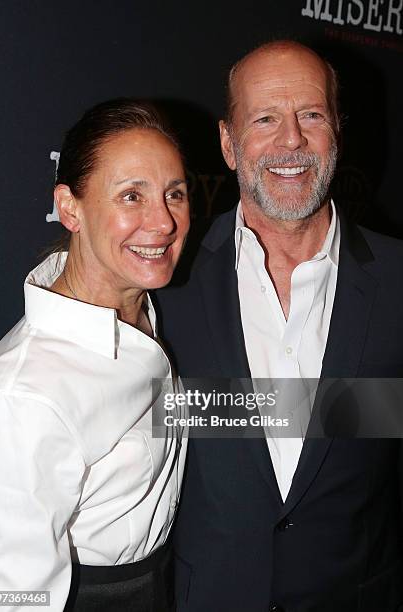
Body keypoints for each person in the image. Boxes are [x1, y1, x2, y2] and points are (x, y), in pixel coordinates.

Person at [155, 41, 403, 611]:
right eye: (265, 118)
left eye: (311, 115)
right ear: (227, 143)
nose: (291, 139)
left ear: (337, 130)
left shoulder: (397, 282)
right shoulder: (169, 278)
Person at [0, 99, 190, 612]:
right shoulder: (22, 396)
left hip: (169, 580)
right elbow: (16, 600)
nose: (162, 222)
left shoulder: (146, 304)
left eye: (175, 194)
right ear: (70, 207)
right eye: (131, 195)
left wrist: (367, 408)